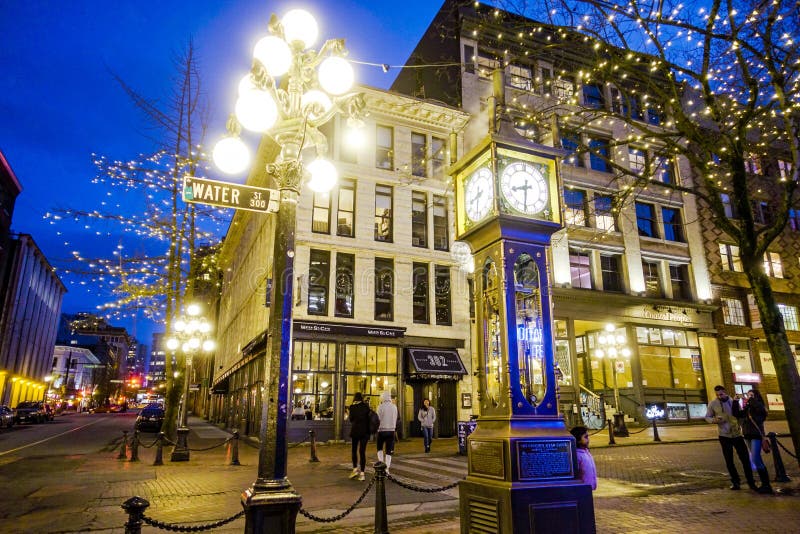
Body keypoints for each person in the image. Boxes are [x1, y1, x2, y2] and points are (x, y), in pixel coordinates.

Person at [705, 385, 757, 490]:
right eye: (717, 395)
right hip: (724, 436)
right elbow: (707, 417)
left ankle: (751, 482)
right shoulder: (713, 404)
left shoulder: (733, 401)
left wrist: (740, 426)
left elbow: (740, 415)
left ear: (725, 392)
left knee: (745, 459)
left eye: (721, 394)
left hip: (737, 434)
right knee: (729, 461)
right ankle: (735, 482)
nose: (719, 396)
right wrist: (714, 420)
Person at [733, 387, 773, 494]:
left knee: (756, 458)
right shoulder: (748, 408)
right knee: (755, 459)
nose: (749, 397)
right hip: (747, 435)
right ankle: (765, 484)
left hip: (756, 435)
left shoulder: (760, 407)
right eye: (748, 395)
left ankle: (766, 485)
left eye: (751, 395)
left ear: (756, 397)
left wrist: (751, 399)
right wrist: (735, 402)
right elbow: (737, 414)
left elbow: (760, 413)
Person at [348, 392, 371, 481]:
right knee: (362, 452)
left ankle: (355, 469)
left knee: (354, 450)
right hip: (365, 432)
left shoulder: (352, 407)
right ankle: (362, 473)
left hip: (355, 431)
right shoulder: (366, 407)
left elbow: (351, 419)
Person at [376, 390, 398, 475]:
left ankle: (381, 465)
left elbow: (378, 419)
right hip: (391, 430)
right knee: (389, 451)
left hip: (381, 430)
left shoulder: (380, 407)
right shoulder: (394, 407)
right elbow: (395, 418)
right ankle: (387, 468)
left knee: (379, 448)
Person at [570, 426, 597, 490]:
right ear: (578, 440)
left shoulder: (586, 451)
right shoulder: (576, 455)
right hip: (582, 489)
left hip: (589, 488)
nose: (588, 439)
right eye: (585, 437)